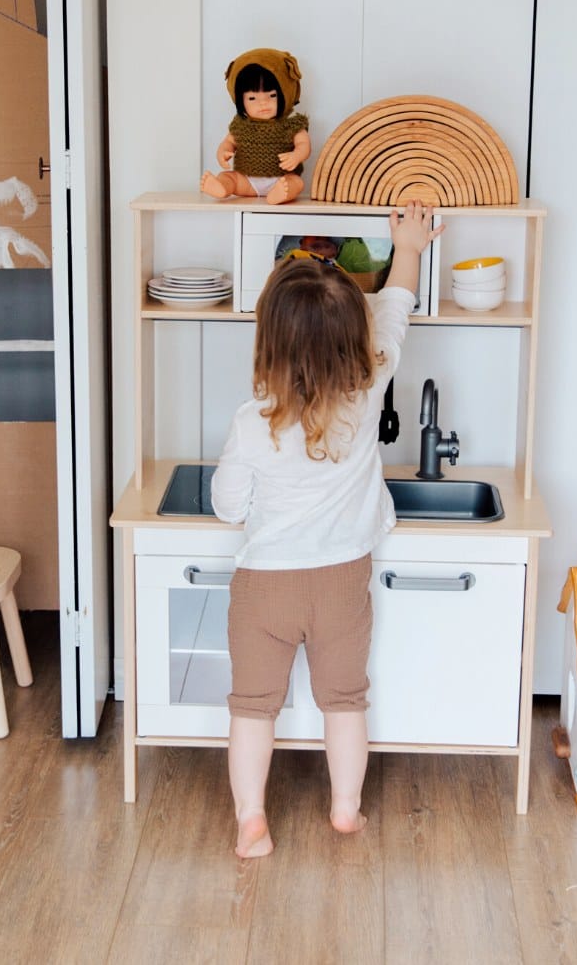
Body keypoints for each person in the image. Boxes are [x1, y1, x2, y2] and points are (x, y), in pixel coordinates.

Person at [210, 201, 443, 858]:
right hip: (342, 580)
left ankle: (251, 821)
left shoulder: (252, 420)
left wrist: (245, 497)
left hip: (264, 588)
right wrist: (410, 246)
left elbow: (229, 507)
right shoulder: (366, 391)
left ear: (269, 340)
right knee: (345, 701)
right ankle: (345, 810)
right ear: (353, 339)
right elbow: (394, 311)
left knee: (253, 706)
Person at [200, 48, 311, 204]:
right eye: (252, 98)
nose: (263, 102)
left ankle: (279, 194)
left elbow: (304, 144)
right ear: (240, 101)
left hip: (281, 178)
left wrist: (297, 155)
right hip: (247, 181)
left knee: (297, 182)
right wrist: (223, 152)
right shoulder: (240, 125)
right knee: (229, 177)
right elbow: (229, 142)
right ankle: (222, 187)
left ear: (285, 93)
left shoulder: (292, 123)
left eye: (272, 95)